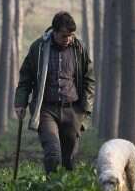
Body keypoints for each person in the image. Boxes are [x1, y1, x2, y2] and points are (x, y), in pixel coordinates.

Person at [14, 11, 95, 174]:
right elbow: (25, 78)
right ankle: (51, 190)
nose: (68, 39)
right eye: (64, 36)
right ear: (54, 31)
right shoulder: (38, 48)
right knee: (53, 154)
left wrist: (84, 110)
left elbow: (89, 80)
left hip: (72, 110)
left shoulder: (79, 49)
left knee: (69, 159)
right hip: (46, 110)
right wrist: (20, 102)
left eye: (71, 35)